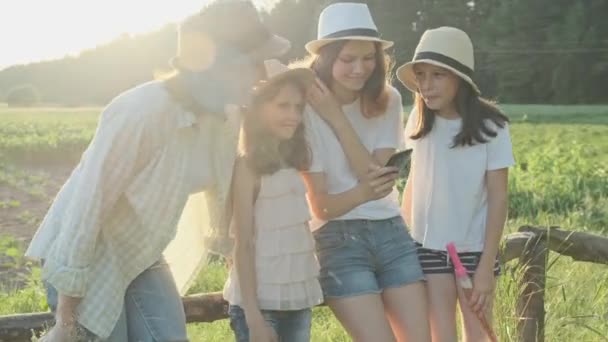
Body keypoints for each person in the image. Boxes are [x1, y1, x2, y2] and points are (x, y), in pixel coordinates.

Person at [25, 1, 291, 341]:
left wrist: (237, 271)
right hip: (87, 253)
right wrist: (67, 317)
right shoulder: (141, 112)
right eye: (254, 63)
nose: (262, 75)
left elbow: (222, 200)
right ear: (219, 65)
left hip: (141, 254)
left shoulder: (226, 117)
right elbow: (85, 208)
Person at [301, 3, 431, 341]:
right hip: (336, 240)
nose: (360, 69)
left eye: (368, 58)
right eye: (348, 59)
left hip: (391, 233)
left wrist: (336, 115)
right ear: (327, 58)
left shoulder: (386, 98)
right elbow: (322, 206)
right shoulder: (303, 109)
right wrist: (366, 189)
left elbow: (376, 179)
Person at [397, 26, 515, 341]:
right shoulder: (419, 123)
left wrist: (487, 266)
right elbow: (414, 183)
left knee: (478, 335)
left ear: (459, 79)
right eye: (421, 75)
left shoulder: (493, 126)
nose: (426, 85)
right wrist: (402, 234)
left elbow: (499, 198)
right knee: (441, 335)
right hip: (428, 248)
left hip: (474, 251)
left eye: (438, 75)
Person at [222, 59, 323, 342]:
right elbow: (243, 243)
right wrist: (254, 318)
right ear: (258, 108)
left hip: (295, 299)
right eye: (282, 106)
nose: (293, 115)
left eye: (298, 107)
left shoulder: (293, 161)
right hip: (259, 302)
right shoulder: (248, 165)